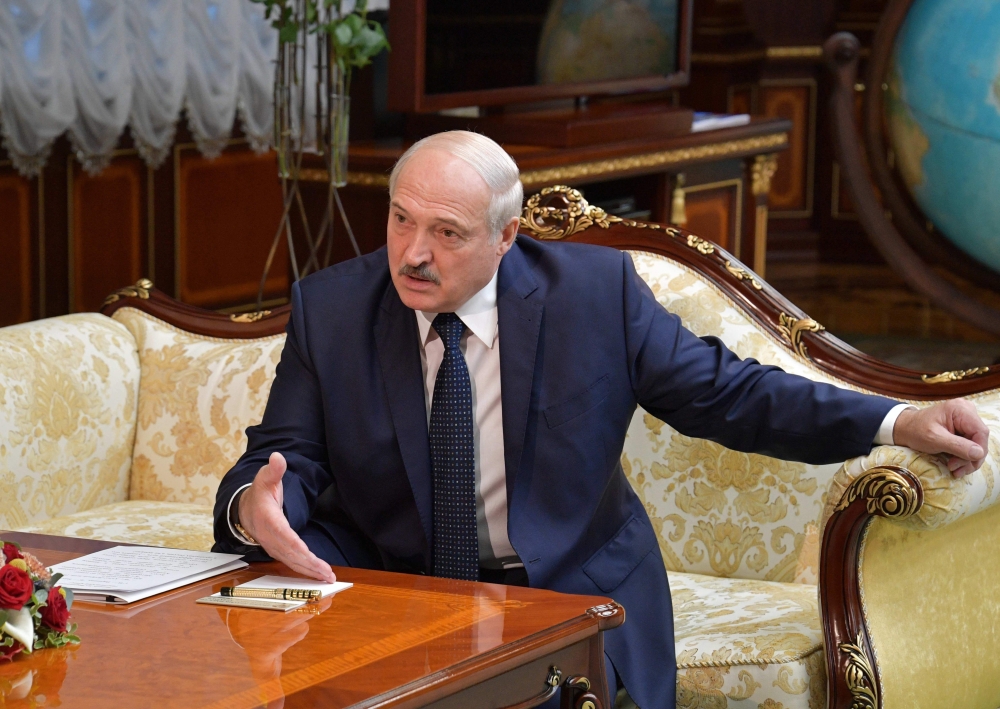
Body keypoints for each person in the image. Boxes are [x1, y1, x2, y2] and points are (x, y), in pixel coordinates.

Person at [213, 130, 989, 709]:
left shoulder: (596, 297)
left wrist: (895, 422)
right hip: (402, 594)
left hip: (564, 594)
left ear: (506, 236)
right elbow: (284, 455)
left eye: (446, 233)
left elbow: (735, 394)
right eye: (401, 220)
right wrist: (255, 505)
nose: (413, 254)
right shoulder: (336, 308)